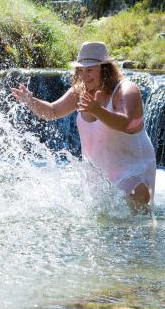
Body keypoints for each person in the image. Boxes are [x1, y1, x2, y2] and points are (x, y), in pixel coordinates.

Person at [11, 42, 156, 207]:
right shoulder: (79, 91)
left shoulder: (127, 90)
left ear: (105, 69)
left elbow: (124, 122)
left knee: (134, 215)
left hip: (133, 169)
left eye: (89, 70)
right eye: (80, 70)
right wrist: (30, 101)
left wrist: (97, 110)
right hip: (99, 174)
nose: (84, 76)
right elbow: (52, 112)